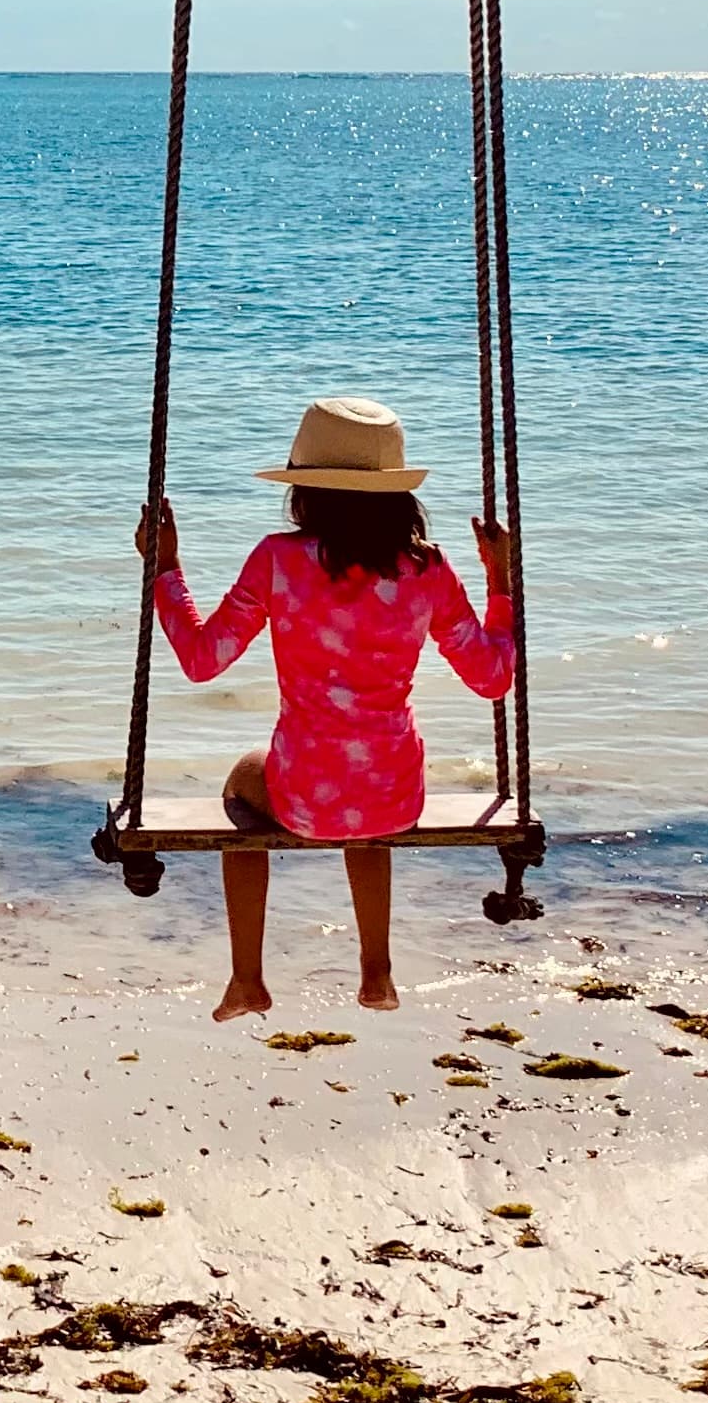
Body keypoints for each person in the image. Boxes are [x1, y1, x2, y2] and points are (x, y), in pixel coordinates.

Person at [141, 395, 513, 1024]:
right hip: (397, 793)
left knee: (243, 780)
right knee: (363, 794)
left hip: (304, 796)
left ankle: (247, 979)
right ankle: (376, 970)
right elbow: (493, 677)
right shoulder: (427, 567)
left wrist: (167, 567)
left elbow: (204, 660)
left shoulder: (279, 560)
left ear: (305, 493)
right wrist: (499, 578)